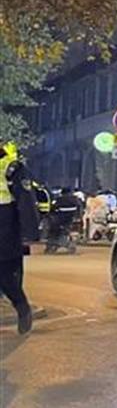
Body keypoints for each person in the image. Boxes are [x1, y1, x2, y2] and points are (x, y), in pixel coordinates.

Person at [0, 143, 39, 334]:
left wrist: (28, 234)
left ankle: (22, 308)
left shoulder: (12, 168)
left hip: (5, 227)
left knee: (5, 276)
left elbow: (26, 201)